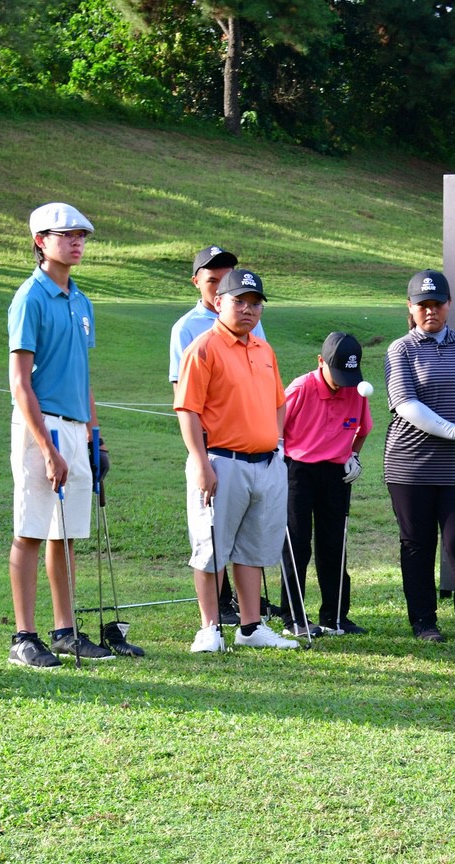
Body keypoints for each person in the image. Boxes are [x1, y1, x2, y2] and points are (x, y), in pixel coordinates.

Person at [4, 202, 119, 668]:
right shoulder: (29, 298)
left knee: (66, 534)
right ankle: (23, 637)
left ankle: (64, 630)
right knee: (30, 530)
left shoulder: (80, 299)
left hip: (75, 426)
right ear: (40, 241)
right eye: (66, 234)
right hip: (41, 426)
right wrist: (48, 449)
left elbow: (83, 375)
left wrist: (96, 437)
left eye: (82, 235)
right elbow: (19, 382)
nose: (77, 242)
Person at [175, 268, 300, 652]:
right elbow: (187, 409)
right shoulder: (203, 348)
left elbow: (278, 402)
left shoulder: (264, 350)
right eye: (239, 301)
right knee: (212, 547)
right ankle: (210, 628)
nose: (248, 309)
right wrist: (199, 461)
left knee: (253, 548)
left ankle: (250, 627)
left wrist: (275, 444)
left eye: (255, 303)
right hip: (221, 461)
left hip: (265, 463)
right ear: (218, 303)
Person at [383, 270, 455, 647]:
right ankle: (424, 621)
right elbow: (406, 404)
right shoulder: (400, 349)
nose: (430, 311)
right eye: (422, 305)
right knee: (417, 544)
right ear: (411, 308)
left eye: (437, 304)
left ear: (449, 305)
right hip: (410, 466)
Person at [169, 245, 264, 625]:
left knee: (249, 533)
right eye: (213, 281)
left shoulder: (252, 318)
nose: (221, 286)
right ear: (198, 283)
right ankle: (215, 614)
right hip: (214, 447)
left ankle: (249, 614)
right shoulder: (187, 329)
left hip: (252, 446)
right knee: (213, 537)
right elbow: (184, 397)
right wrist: (200, 455)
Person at [279, 331, 372, 636]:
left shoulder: (355, 390)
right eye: (337, 373)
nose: (342, 382)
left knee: (334, 546)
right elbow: (276, 428)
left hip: (336, 475)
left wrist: (353, 457)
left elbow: (363, 429)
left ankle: (335, 617)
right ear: (321, 361)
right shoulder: (301, 388)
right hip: (298, 472)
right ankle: (294, 618)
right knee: (297, 545)